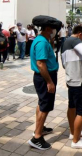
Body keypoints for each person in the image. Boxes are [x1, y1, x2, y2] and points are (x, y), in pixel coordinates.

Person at [28, 17, 62, 151]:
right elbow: (41, 64)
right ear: (48, 29)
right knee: (45, 106)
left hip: (43, 77)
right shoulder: (42, 42)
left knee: (42, 103)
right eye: (53, 29)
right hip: (44, 78)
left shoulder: (42, 40)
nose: (54, 31)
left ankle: (40, 128)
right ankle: (36, 138)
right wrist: (49, 82)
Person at [61, 25, 82, 149]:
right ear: (80, 34)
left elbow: (65, 63)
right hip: (79, 81)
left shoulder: (65, 42)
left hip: (71, 80)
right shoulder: (75, 40)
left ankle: (73, 133)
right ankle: (76, 141)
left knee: (72, 107)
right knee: (81, 111)